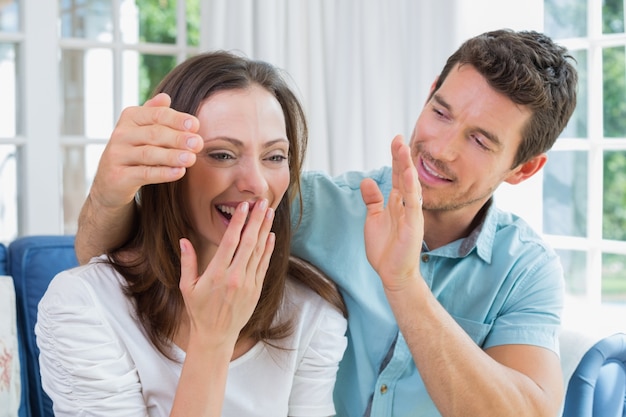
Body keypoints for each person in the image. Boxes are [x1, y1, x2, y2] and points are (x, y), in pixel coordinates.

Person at [71, 29, 578, 417]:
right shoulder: (309, 205)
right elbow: (123, 258)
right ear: (428, 95)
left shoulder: (526, 269)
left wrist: (404, 286)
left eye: (481, 140)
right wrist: (110, 190)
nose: (440, 148)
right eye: (441, 112)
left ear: (524, 167)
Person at [35, 51, 348, 417]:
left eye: (275, 156)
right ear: (164, 166)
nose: (256, 184)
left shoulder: (312, 313)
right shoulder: (83, 306)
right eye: (222, 155)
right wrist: (212, 341)